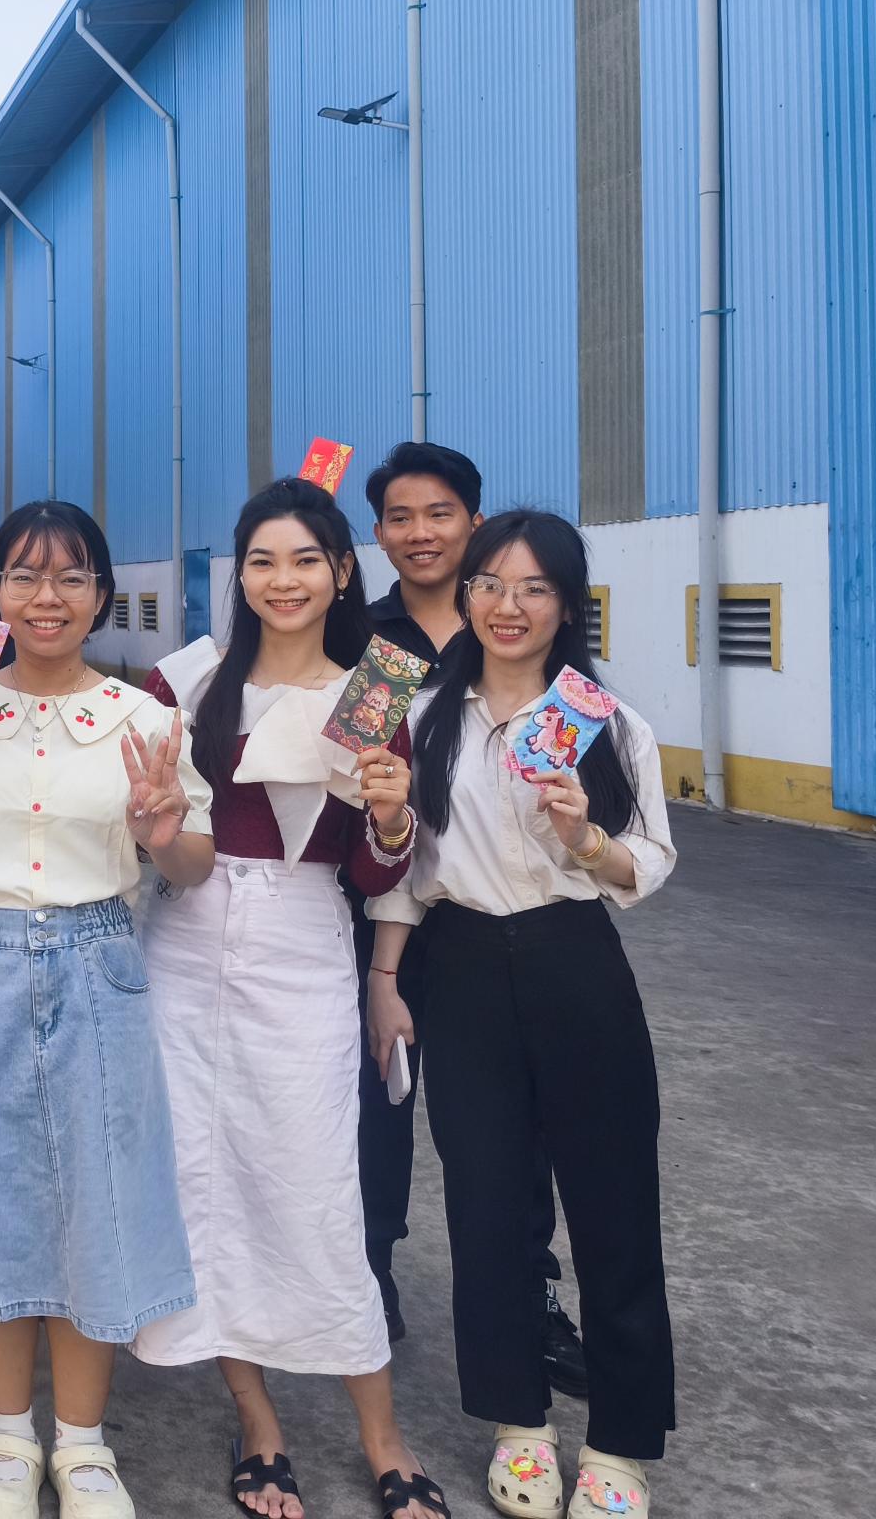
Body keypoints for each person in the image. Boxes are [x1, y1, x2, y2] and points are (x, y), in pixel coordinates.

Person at [0, 501, 207, 1519]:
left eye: (70, 577)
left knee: (91, 1202)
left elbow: (194, 866)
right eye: (23, 576)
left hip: (95, 959)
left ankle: (84, 1444)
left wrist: (163, 830)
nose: (46, 597)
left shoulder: (143, 719)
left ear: (101, 594)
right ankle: (9, 1437)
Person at [132, 478, 447, 1519]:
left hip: (306, 946)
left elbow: (371, 871)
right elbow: (162, 838)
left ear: (342, 571)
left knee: (313, 1188)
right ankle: (258, 1424)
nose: (284, 580)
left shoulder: (377, 690)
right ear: (241, 576)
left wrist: (391, 822)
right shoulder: (191, 681)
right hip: (185, 947)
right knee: (203, 1185)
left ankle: (383, 1437)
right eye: (262, 561)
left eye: (306, 559)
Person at [365, 512, 677, 1519]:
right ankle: (519, 1426)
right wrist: (385, 977)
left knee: (613, 1203)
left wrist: (585, 839)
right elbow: (406, 870)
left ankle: (621, 1444)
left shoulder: (606, 723)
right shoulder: (419, 715)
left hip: (572, 960)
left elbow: (646, 863)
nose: (509, 605)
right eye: (491, 584)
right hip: (457, 967)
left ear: (567, 605)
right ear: (464, 597)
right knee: (487, 1204)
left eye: (535, 587)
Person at [360, 445, 585, 1393]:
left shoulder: (511, 622)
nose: (421, 533)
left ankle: (532, 1291)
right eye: (401, 517)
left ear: (476, 521)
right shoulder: (365, 637)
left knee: (509, 1124)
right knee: (375, 1101)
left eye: (441, 513)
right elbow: (349, 779)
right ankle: (370, 1273)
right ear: (379, 533)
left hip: (490, 922)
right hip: (378, 903)